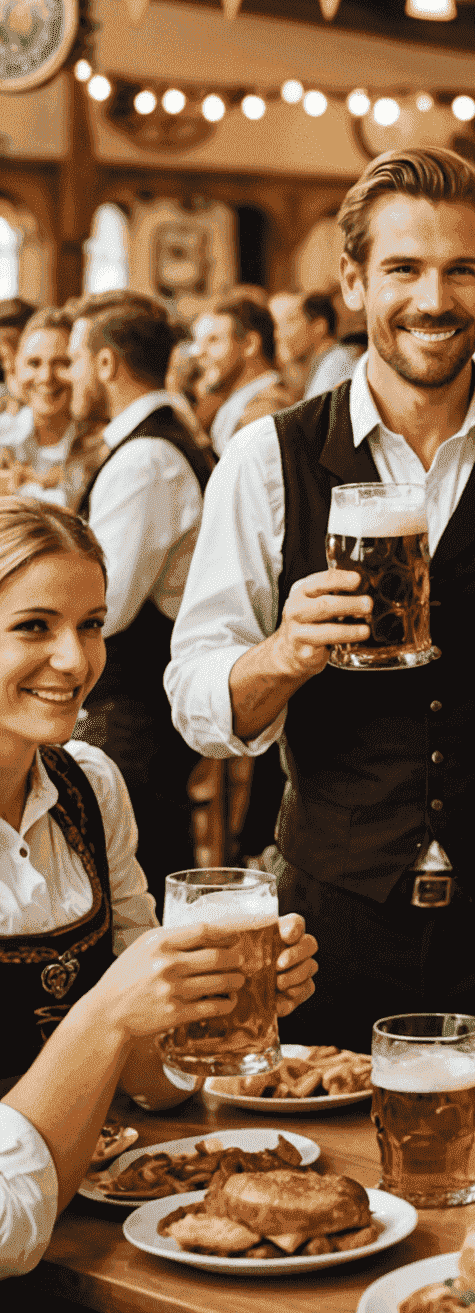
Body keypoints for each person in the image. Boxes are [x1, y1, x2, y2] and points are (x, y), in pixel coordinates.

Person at [165, 147, 475, 1070]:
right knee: (328, 1181)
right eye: (404, 270)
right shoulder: (268, 458)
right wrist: (286, 653)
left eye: (461, 269)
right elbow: (198, 701)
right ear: (352, 280)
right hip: (328, 917)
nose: (435, 298)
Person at [0, 495, 319, 1279]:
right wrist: (107, 1011)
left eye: (92, 624)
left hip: (93, 1233)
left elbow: (153, 1089)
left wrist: (206, 1004)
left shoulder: (89, 789)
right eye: (33, 626)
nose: (75, 661)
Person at [67, 292, 211, 906]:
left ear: (104, 364)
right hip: (135, 710)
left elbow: (104, 605)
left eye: (73, 360)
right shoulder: (150, 443)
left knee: (135, 884)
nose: (71, 377)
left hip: (132, 714)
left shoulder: (148, 458)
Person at [0, 310, 105, 510]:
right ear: (16, 368)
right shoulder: (3, 433)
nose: (46, 377)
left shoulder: (100, 445)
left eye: (62, 363)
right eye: (34, 363)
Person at [194, 292, 282, 457]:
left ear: (249, 344)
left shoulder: (264, 409)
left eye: (213, 340)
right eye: (199, 342)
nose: (199, 353)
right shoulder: (243, 399)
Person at [269, 289, 361, 398]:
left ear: (318, 327)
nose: (279, 334)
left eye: (292, 321)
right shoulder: (327, 364)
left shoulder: (335, 364)